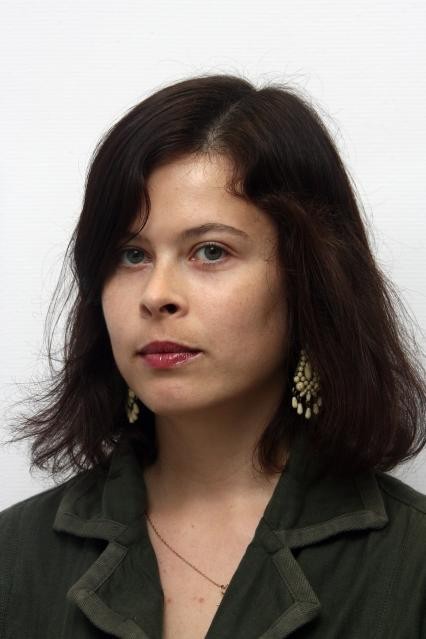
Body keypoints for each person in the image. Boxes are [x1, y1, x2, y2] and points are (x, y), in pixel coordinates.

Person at [1, 74, 425, 639]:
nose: (157, 295)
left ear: (309, 278)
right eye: (131, 255)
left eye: (210, 251)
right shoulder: (15, 558)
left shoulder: (411, 562)